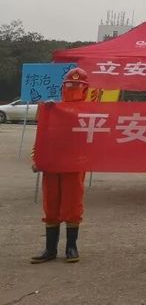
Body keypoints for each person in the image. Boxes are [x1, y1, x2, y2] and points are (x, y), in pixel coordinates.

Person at [30, 68, 90, 264]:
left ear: (85, 88)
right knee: (51, 204)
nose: (73, 89)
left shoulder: (90, 111)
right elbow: (41, 137)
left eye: (77, 86)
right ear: (63, 87)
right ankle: (50, 249)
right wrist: (37, 159)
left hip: (74, 165)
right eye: (69, 85)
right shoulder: (52, 107)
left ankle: (71, 247)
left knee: (72, 205)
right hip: (52, 164)